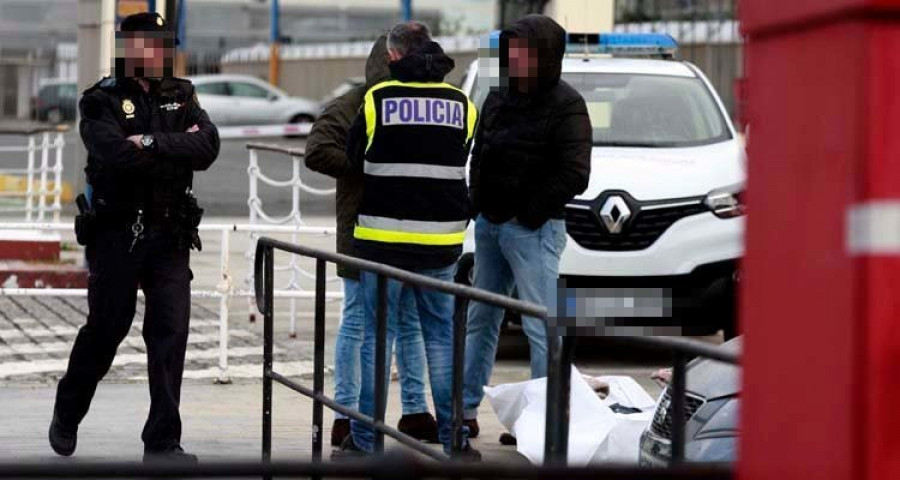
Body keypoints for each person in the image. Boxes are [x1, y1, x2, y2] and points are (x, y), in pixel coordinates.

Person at [48, 12, 219, 463]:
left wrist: (153, 143)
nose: (162, 53)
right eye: (152, 45)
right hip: (118, 233)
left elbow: (208, 147)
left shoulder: (181, 94)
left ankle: (162, 443)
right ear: (129, 47)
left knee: (170, 335)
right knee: (107, 330)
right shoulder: (100, 100)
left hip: (170, 232)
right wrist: (170, 147)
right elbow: (114, 154)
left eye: (165, 45)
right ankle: (68, 412)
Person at [335, 22, 479, 460]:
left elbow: (353, 158)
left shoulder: (377, 100)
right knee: (441, 338)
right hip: (441, 242)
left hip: (382, 241)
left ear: (394, 58)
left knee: (377, 340)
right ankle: (456, 439)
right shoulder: (463, 104)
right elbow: (464, 156)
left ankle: (365, 442)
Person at [305, 35, 438, 447]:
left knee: (407, 323)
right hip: (364, 230)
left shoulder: (414, 100)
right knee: (361, 322)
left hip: (409, 230)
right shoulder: (356, 103)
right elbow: (317, 149)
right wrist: (369, 166)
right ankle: (348, 415)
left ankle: (414, 411)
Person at [463, 14, 592, 439]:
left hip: (535, 231)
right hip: (490, 226)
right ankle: (464, 410)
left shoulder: (567, 103)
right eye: (511, 50)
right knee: (482, 318)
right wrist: (479, 204)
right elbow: (479, 151)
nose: (516, 57)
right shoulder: (497, 98)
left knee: (541, 327)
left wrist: (529, 212)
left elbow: (575, 174)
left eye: (525, 51)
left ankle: (542, 421)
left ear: (545, 56)